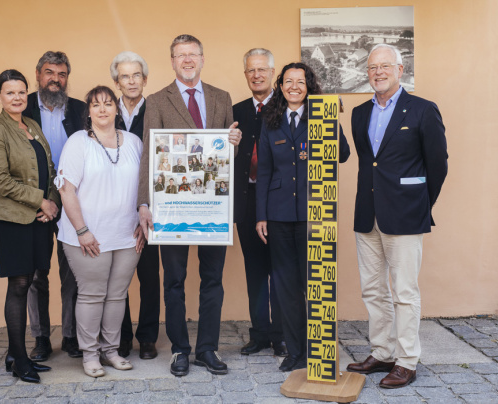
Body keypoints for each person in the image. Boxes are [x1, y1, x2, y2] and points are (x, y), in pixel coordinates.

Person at [137, 34, 242, 377]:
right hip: (173, 208)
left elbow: (226, 158)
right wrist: (143, 202)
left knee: (213, 279)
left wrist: (234, 144)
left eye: (192, 54)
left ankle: (207, 349)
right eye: (180, 55)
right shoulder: (156, 100)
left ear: (202, 58)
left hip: (213, 207)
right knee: (175, 281)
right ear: (172, 61)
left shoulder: (221, 97)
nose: (187, 60)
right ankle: (181, 349)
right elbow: (149, 157)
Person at [346, 44, 448, 389]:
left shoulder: (422, 110)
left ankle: (407, 361)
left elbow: (438, 164)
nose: (378, 72)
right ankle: (382, 351)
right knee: (373, 290)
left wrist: (420, 202)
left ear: (400, 70)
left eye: (385, 66)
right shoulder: (359, 113)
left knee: (404, 291)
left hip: (405, 214)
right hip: (367, 214)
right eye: (372, 67)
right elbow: (368, 164)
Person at [256, 62, 350, 372]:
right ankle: (295, 352)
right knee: (287, 287)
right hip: (280, 215)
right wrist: (262, 215)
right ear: (280, 86)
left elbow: (343, 154)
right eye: (288, 81)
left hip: (316, 212)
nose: (294, 86)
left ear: (309, 85)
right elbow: (265, 171)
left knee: (317, 284)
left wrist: (331, 119)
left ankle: (317, 352)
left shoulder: (321, 115)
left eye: (301, 81)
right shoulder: (270, 121)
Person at [54, 86, 145, 378]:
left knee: (117, 295)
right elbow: (67, 191)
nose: (103, 109)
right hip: (88, 235)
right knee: (92, 295)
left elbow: (145, 185)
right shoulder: (78, 143)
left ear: (117, 109)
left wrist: (142, 222)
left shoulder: (132, 141)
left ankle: (111, 350)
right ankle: (90, 354)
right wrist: (82, 230)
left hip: (127, 234)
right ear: (89, 111)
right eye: (96, 105)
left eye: (108, 103)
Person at [0, 69, 60, 383]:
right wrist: (41, 201)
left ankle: (17, 354)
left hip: (40, 219)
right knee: (18, 286)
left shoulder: (32, 125)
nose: (16, 98)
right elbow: (1, 182)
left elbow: (50, 168)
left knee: (36, 279)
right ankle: (18, 358)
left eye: (21, 92)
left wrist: (51, 201)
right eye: (10, 92)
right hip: (12, 219)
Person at [23, 51, 86, 362]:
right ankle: (41, 338)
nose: (55, 79)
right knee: (37, 273)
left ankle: (72, 336)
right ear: (38, 74)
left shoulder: (79, 109)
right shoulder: (23, 110)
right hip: (35, 204)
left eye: (61, 74)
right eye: (49, 73)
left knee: (72, 271)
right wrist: (41, 200)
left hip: (71, 203)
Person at [233, 48, 285, 357]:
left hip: (278, 203)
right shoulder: (236, 110)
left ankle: (280, 334)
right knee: (254, 270)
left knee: (279, 270)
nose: (256, 75)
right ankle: (259, 333)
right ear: (246, 75)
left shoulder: (289, 106)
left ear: (272, 73)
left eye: (262, 70)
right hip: (246, 201)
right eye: (251, 71)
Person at [111, 51, 160, 360]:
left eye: (136, 75)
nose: (131, 81)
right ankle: (123, 336)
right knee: (118, 275)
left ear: (145, 79)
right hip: (114, 206)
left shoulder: (157, 108)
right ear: (116, 82)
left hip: (151, 205)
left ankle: (148, 337)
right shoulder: (104, 110)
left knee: (149, 273)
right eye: (124, 76)